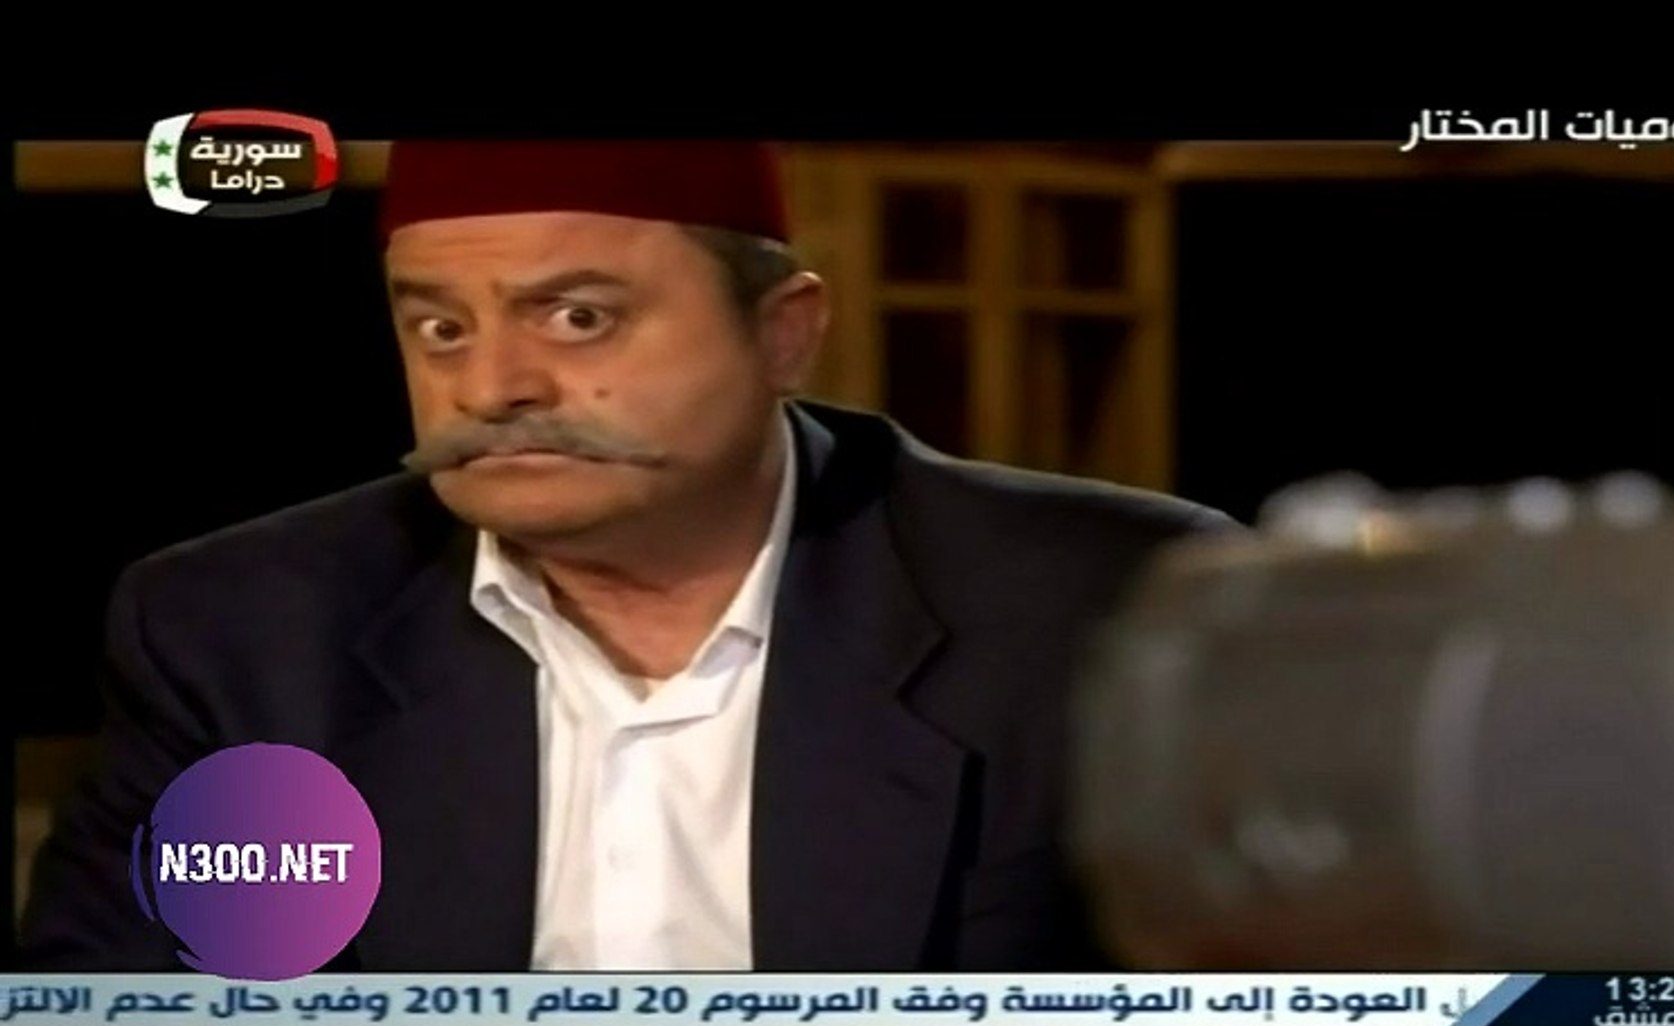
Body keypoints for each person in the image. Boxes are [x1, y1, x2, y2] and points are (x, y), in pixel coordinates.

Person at [19, 140, 1240, 973]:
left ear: (784, 334)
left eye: (578, 317)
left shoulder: (1107, 610)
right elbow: (139, 1001)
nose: (491, 386)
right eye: (439, 327)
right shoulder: (243, 633)